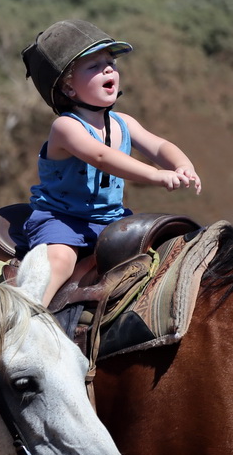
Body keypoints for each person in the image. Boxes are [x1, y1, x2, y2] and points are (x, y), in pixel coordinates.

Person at [20, 19, 201, 308]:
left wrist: (182, 164)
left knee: (157, 258)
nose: (108, 69)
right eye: (93, 66)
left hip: (110, 219)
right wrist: (157, 176)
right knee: (59, 262)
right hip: (62, 219)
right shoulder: (66, 128)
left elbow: (159, 145)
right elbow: (102, 157)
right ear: (68, 87)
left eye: (110, 63)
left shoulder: (124, 122)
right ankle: (20, 321)